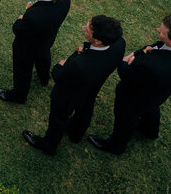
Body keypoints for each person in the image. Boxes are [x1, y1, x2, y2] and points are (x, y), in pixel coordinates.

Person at [22, 15, 125, 156]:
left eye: (87, 29)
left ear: (98, 41)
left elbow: (59, 76)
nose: (83, 28)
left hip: (68, 95)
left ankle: (48, 145)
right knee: (86, 108)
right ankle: (76, 133)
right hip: (91, 89)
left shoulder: (79, 65)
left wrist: (60, 65)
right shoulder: (119, 44)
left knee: (58, 119)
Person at [88, 15, 171, 155]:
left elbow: (128, 75)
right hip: (157, 94)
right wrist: (138, 54)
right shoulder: (166, 51)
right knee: (151, 108)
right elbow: (153, 48)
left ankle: (116, 146)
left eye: (162, 32)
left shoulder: (157, 68)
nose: (158, 30)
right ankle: (149, 131)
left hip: (136, 97)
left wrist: (125, 62)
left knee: (125, 119)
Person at [0, 0, 72, 104]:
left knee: (22, 71)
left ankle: (19, 96)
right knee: (43, 55)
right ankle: (44, 78)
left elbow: (18, 30)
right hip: (46, 39)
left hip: (27, 48)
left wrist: (20, 19)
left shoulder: (35, 17)